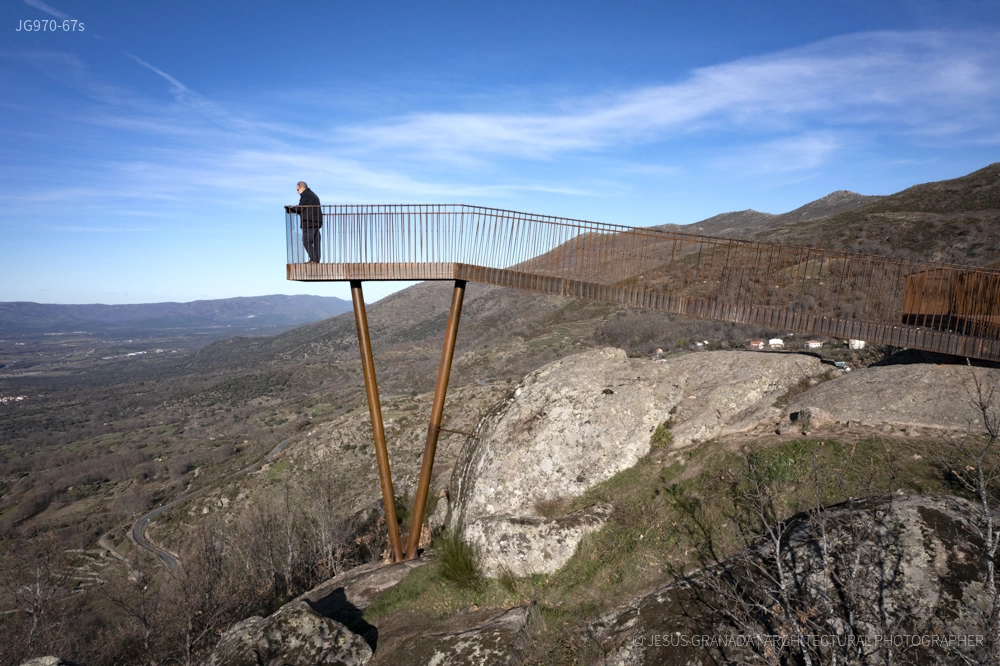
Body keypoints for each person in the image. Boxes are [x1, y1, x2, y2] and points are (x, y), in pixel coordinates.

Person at [288, 181, 322, 263]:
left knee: (306, 241)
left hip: (309, 222)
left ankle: (314, 260)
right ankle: (316, 260)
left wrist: (290, 209)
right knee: (316, 242)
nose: (297, 192)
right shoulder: (313, 195)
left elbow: (300, 208)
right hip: (317, 221)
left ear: (302, 188)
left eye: (298, 189)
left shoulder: (305, 195)